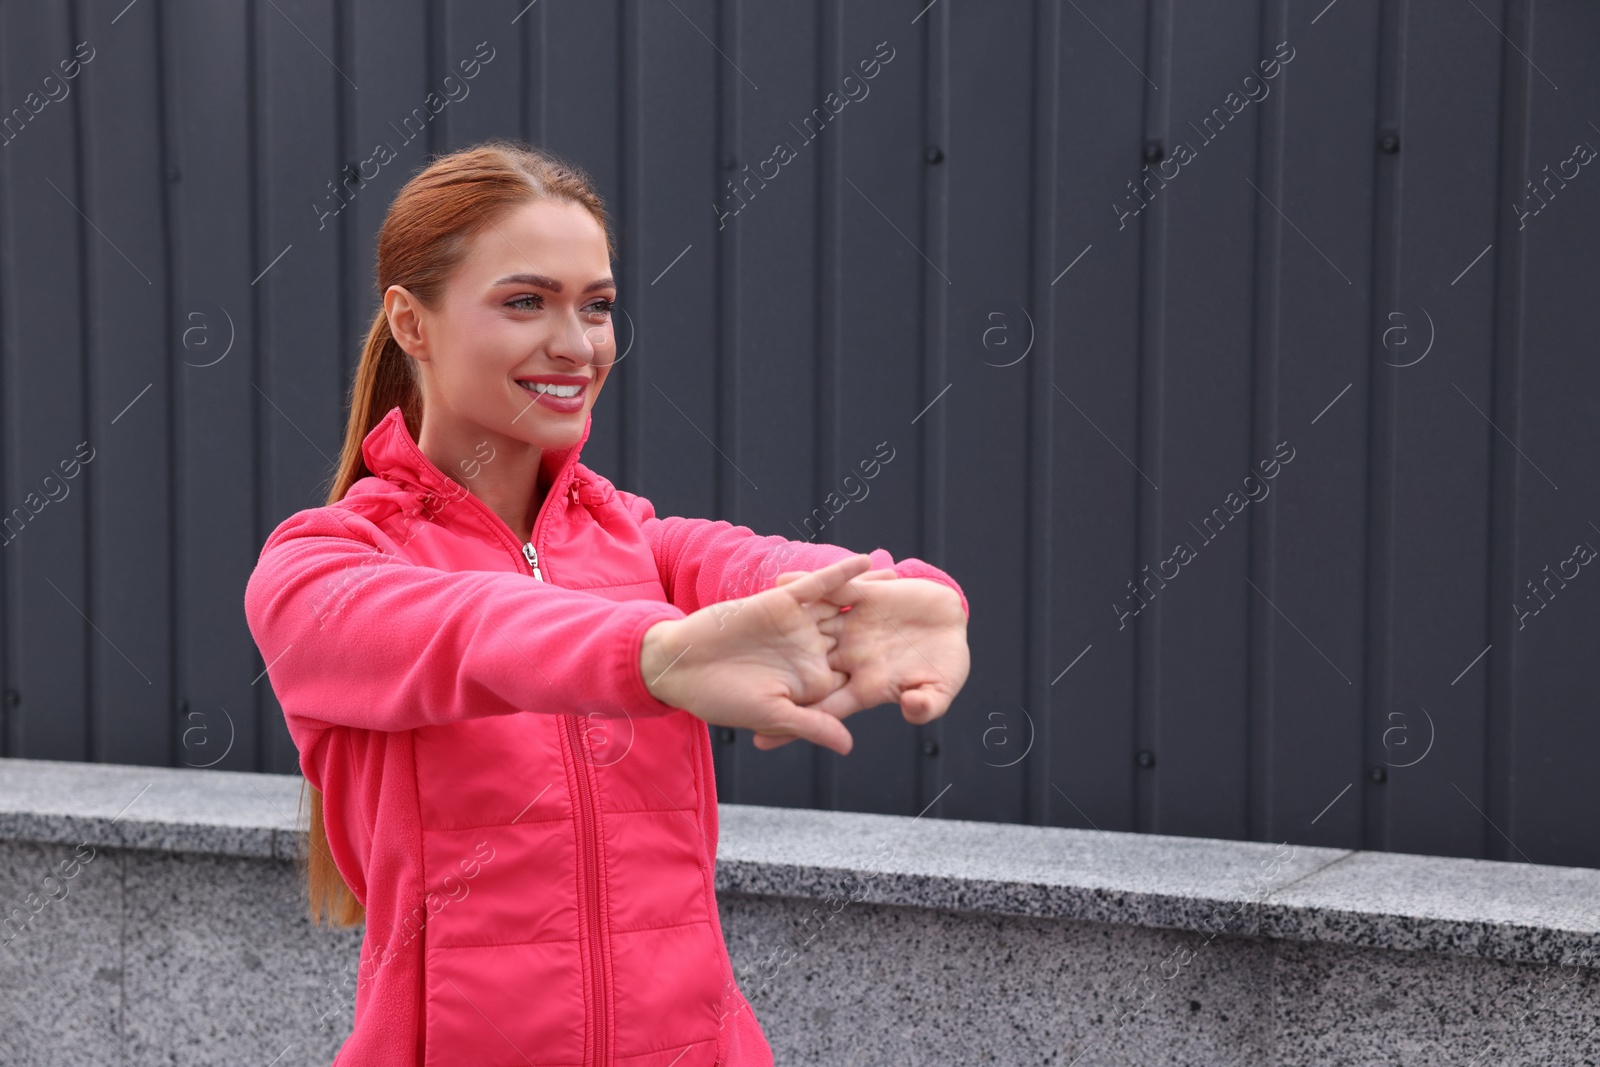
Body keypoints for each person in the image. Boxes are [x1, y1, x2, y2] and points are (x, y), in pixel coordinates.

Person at [243, 139, 970, 1066]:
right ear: (410, 322)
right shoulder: (325, 567)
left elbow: (779, 569)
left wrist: (908, 597)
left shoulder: (640, 541)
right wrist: (655, 655)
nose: (576, 344)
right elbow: (471, 629)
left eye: (596, 306)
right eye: (524, 301)